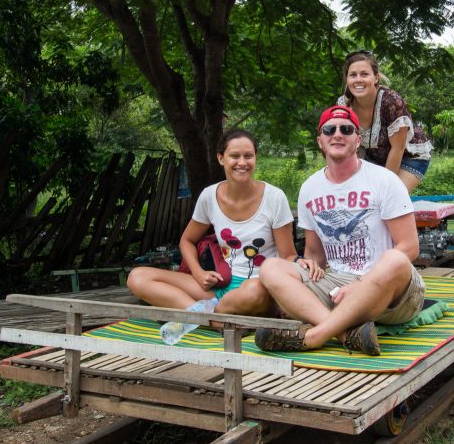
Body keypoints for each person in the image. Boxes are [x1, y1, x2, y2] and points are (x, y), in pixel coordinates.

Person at [253, 105, 425, 356]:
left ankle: (314, 336)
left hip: (388, 290)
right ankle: (345, 334)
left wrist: (362, 284)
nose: (337, 134)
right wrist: (308, 263)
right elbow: (314, 254)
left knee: (396, 259)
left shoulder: (384, 180)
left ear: (357, 140)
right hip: (338, 286)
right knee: (271, 267)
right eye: (329, 129)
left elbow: (409, 247)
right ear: (320, 141)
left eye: (346, 129)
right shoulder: (310, 188)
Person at [127, 129, 306, 318]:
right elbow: (186, 241)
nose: (242, 163)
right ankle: (209, 318)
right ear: (221, 158)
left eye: (248, 156)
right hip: (222, 284)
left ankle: (203, 314)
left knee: (255, 290)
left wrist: (303, 264)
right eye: (234, 156)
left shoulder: (274, 197)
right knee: (137, 277)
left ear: (256, 158)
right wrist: (198, 273)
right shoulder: (209, 196)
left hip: (259, 289)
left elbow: (288, 256)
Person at [335, 50, 431, 193]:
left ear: (376, 78)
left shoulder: (390, 101)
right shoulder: (344, 105)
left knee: (392, 197)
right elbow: (350, 147)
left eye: (364, 74)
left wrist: (384, 188)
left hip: (408, 156)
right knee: (362, 200)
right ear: (347, 79)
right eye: (353, 75)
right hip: (373, 158)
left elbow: (397, 148)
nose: (358, 79)